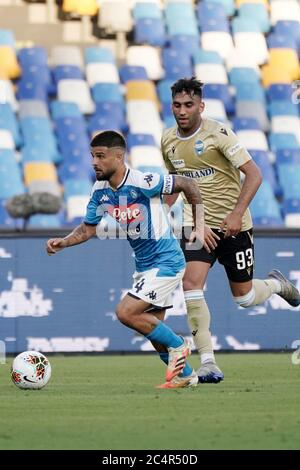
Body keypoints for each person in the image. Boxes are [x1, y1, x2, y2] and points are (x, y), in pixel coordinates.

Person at [162, 77, 300, 383]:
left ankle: (277, 285)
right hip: (196, 223)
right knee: (191, 283)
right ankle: (208, 362)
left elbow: (254, 174)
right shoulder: (168, 141)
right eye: (176, 105)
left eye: (188, 105)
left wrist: (237, 214)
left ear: (201, 106)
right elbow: (176, 183)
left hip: (232, 225)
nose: (182, 111)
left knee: (245, 298)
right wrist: (159, 211)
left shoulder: (219, 134)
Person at [46, 130, 205, 389]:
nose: (94, 162)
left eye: (100, 156)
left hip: (166, 261)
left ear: (119, 157)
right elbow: (88, 229)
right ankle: (186, 375)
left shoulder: (143, 181)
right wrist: (63, 242)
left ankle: (180, 344)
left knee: (126, 312)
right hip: (144, 267)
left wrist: (199, 224)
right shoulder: (100, 192)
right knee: (153, 331)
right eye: (92, 156)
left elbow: (188, 184)